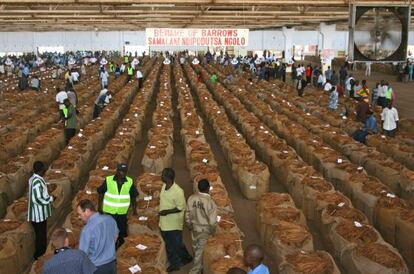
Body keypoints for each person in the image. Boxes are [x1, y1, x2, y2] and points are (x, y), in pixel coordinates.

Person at [97, 163, 138, 249]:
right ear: (117, 171)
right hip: (109, 212)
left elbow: (133, 196)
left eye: (124, 172)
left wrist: (134, 211)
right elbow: (101, 192)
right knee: (110, 231)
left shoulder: (129, 182)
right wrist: (99, 207)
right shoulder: (109, 180)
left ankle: (121, 247)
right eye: (120, 171)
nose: (122, 173)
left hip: (122, 213)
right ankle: (111, 248)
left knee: (122, 231)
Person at [159, 168, 192, 272]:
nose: (161, 176)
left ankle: (175, 264)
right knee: (176, 243)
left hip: (173, 223)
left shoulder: (178, 191)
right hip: (164, 222)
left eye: (163, 175)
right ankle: (186, 257)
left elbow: (180, 207)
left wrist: (166, 212)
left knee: (171, 245)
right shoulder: (164, 186)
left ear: (168, 178)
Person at [185, 179, 218, 274]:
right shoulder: (210, 202)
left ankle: (199, 266)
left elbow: (187, 214)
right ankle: (194, 271)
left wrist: (189, 225)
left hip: (194, 228)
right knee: (200, 251)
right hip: (205, 230)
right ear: (208, 188)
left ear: (198, 188)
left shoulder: (191, 198)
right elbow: (212, 222)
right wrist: (212, 231)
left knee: (195, 247)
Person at [78, 199, 118, 274]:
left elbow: (83, 254)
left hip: (96, 268)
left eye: (80, 214)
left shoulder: (87, 230)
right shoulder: (110, 219)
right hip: (112, 265)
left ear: (87, 211)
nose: (79, 217)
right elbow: (115, 237)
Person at [27, 161, 55, 260]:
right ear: (40, 170)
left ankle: (41, 252)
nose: (45, 170)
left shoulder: (33, 179)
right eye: (44, 169)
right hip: (38, 215)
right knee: (40, 236)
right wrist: (51, 199)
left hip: (39, 214)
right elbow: (37, 199)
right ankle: (39, 255)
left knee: (41, 234)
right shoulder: (37, 182)